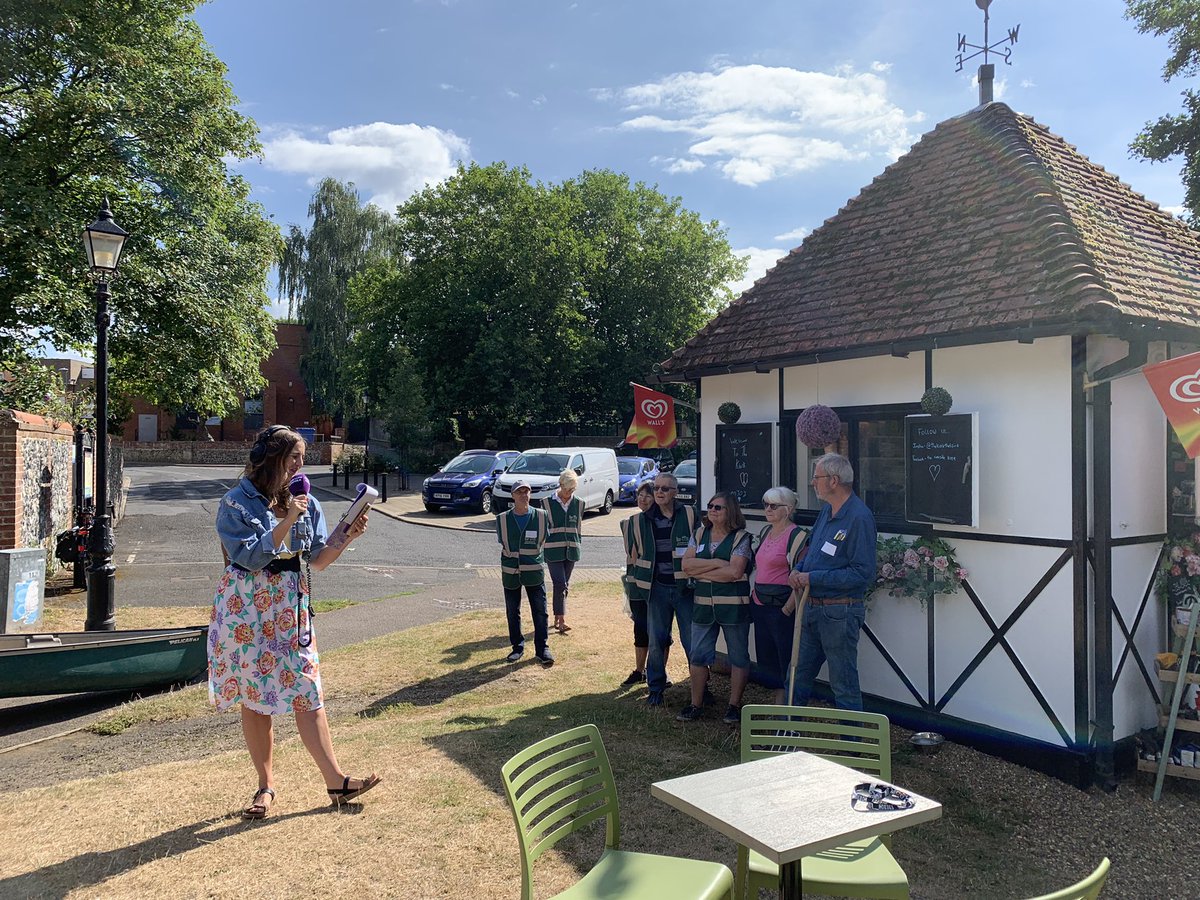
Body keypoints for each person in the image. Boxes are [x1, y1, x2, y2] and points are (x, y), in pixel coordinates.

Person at [210, 424, 379, 820]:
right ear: (270, 460)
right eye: (294, 459)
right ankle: (265, 786)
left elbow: (317, 559)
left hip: (290, 606)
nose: (301, 467)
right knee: (255, 699)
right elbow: (251, 557)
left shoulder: (306, 501)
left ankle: (336, 781)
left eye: (302, 459)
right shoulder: (235, 503)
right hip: (247, 609)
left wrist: (347, 536)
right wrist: (286, 519)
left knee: (307, 688)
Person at [787, 453, 877, 711]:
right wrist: (799, 570)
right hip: (811, 608)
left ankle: (852, 746)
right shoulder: (827, 511)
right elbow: (814, 549)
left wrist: (812, 577)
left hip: (840, 612)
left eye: (817, 477)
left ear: (834, 480)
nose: (813, 482)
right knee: (796, 674)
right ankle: (788, 735)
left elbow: (862, 573)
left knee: (843, 683)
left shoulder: (859, 517)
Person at [679, 492, 753, 724]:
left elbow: (735, 572)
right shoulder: (699, 534)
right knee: (698, 656)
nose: (712, 510)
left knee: (738, 657)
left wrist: (704, 571)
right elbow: (686, 566)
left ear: (730, 511)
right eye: (710, 506)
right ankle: (696, 704)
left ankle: (733, 706)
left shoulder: (741, 538)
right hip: (703, 609)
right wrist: (716, 563)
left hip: (734, 610)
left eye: (718, 507)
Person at [639, 471, 697, 707]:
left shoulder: (690, 514)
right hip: (657, 589)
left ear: (675, 492)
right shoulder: (644, 519)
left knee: (692, 641)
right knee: (656, 641)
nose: (659, 493)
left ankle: (700, 688)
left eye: (665, 489)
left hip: (685, 589)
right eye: (656, 489)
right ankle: (655, 687)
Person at [750, 487, 808, 703]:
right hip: (760, 604)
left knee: (786, 660)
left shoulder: (797, 537)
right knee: (768, 660)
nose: (768, 509)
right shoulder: (766, 531)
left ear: (789, 509)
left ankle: (786, 709)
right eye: (766, 504)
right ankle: (776, 706)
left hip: (781, 607)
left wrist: (787, 608)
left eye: (774, 505)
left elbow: (800, 576)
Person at [497, 479, 554, 667]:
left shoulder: (541, 516)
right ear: (513, 496)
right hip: (511, 573)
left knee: (540, 611)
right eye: (519, 492)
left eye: (526, 491)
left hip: (534, 571)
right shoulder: (503, 519)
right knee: (512, 612)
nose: (524, 495)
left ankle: (542, 648)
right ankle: (517, 646)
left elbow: (544, 540)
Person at [619, 481, 661, 685]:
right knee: (640, 627)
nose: (643, 499)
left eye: (648, 495)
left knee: (660, 630)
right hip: (636, 583)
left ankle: (659, 671)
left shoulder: (662, 521)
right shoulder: (630, 522)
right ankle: (639, 670)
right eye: (640, 495)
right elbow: (631, 556)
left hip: (656, 584)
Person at [544, 468, 585, 635]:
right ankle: (561, 621)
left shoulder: (579, 503)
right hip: (553, 551)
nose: (569, 493)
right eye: (567, 489)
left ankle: (557, 615)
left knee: (564, 586)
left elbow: (579, 528)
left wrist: (578, 545)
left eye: (572, 490)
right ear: (561, 485)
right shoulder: (546, 503)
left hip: (571, 551)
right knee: (560, 583)